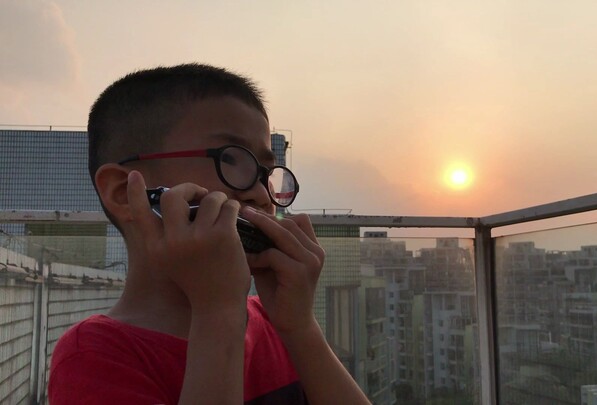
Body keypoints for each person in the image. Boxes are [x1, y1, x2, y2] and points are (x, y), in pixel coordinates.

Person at [48, 63, 370, 404]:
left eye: (266, 174)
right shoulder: (94, 356)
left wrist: (302, 328)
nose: (262, 196)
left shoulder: (278, 322)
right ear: (124, 192)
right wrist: (218, 313)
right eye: (232, 160)